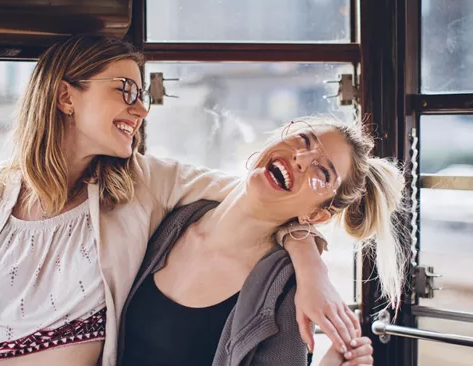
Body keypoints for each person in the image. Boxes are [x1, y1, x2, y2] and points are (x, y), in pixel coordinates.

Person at [0, 36, 357, 366]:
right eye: (126, 89)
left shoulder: (142, 185)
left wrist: (308, 262)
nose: (142, 108)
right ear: (66, 96)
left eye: (142, 94)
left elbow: (260, 194)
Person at [118, 117, 407, 365]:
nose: (301, 159)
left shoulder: (286, 294)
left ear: (316, 215)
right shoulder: (170, 216)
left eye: (322, 172)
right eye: (303, 140)